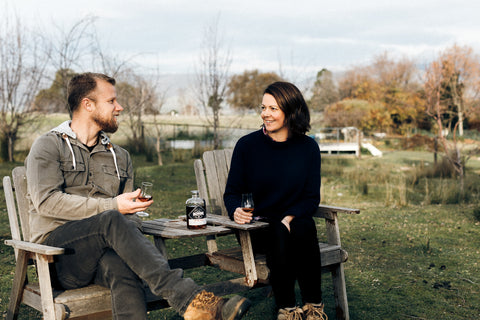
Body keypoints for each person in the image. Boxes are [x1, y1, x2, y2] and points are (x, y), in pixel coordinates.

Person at [25, 72, 250, 320]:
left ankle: (198, 306)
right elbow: (47, 202)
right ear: (87, 105)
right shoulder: (48, 146)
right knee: (110, 218)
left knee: (121, 264)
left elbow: (128, 216)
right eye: (111, 101)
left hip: (105, 253)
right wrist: (113, 207)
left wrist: (128, 214)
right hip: (59, 258)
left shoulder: (120, 156)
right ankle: (191, 300)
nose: (119, 108)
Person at [224, 81, 327, 320]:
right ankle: (288, 309)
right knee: (279, 232)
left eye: (273, 109)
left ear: (291, 112)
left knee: (304, 225)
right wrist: (235, 210)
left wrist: (289, 217)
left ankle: (314, 307)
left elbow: (311, 197)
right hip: (259, 228)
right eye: (263, 108)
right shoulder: (247, 146)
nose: (265, 114)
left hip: (293, 224)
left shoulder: (308, 148)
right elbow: (231, 194)